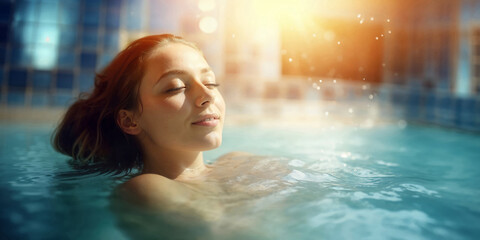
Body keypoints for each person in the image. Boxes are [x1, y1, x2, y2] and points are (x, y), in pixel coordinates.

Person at [52, 34, 289, 225]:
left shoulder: (241, 163)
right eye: (175, 88)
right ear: (130, 121)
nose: (207, 95)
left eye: (210, 82)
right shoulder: (148, 189)